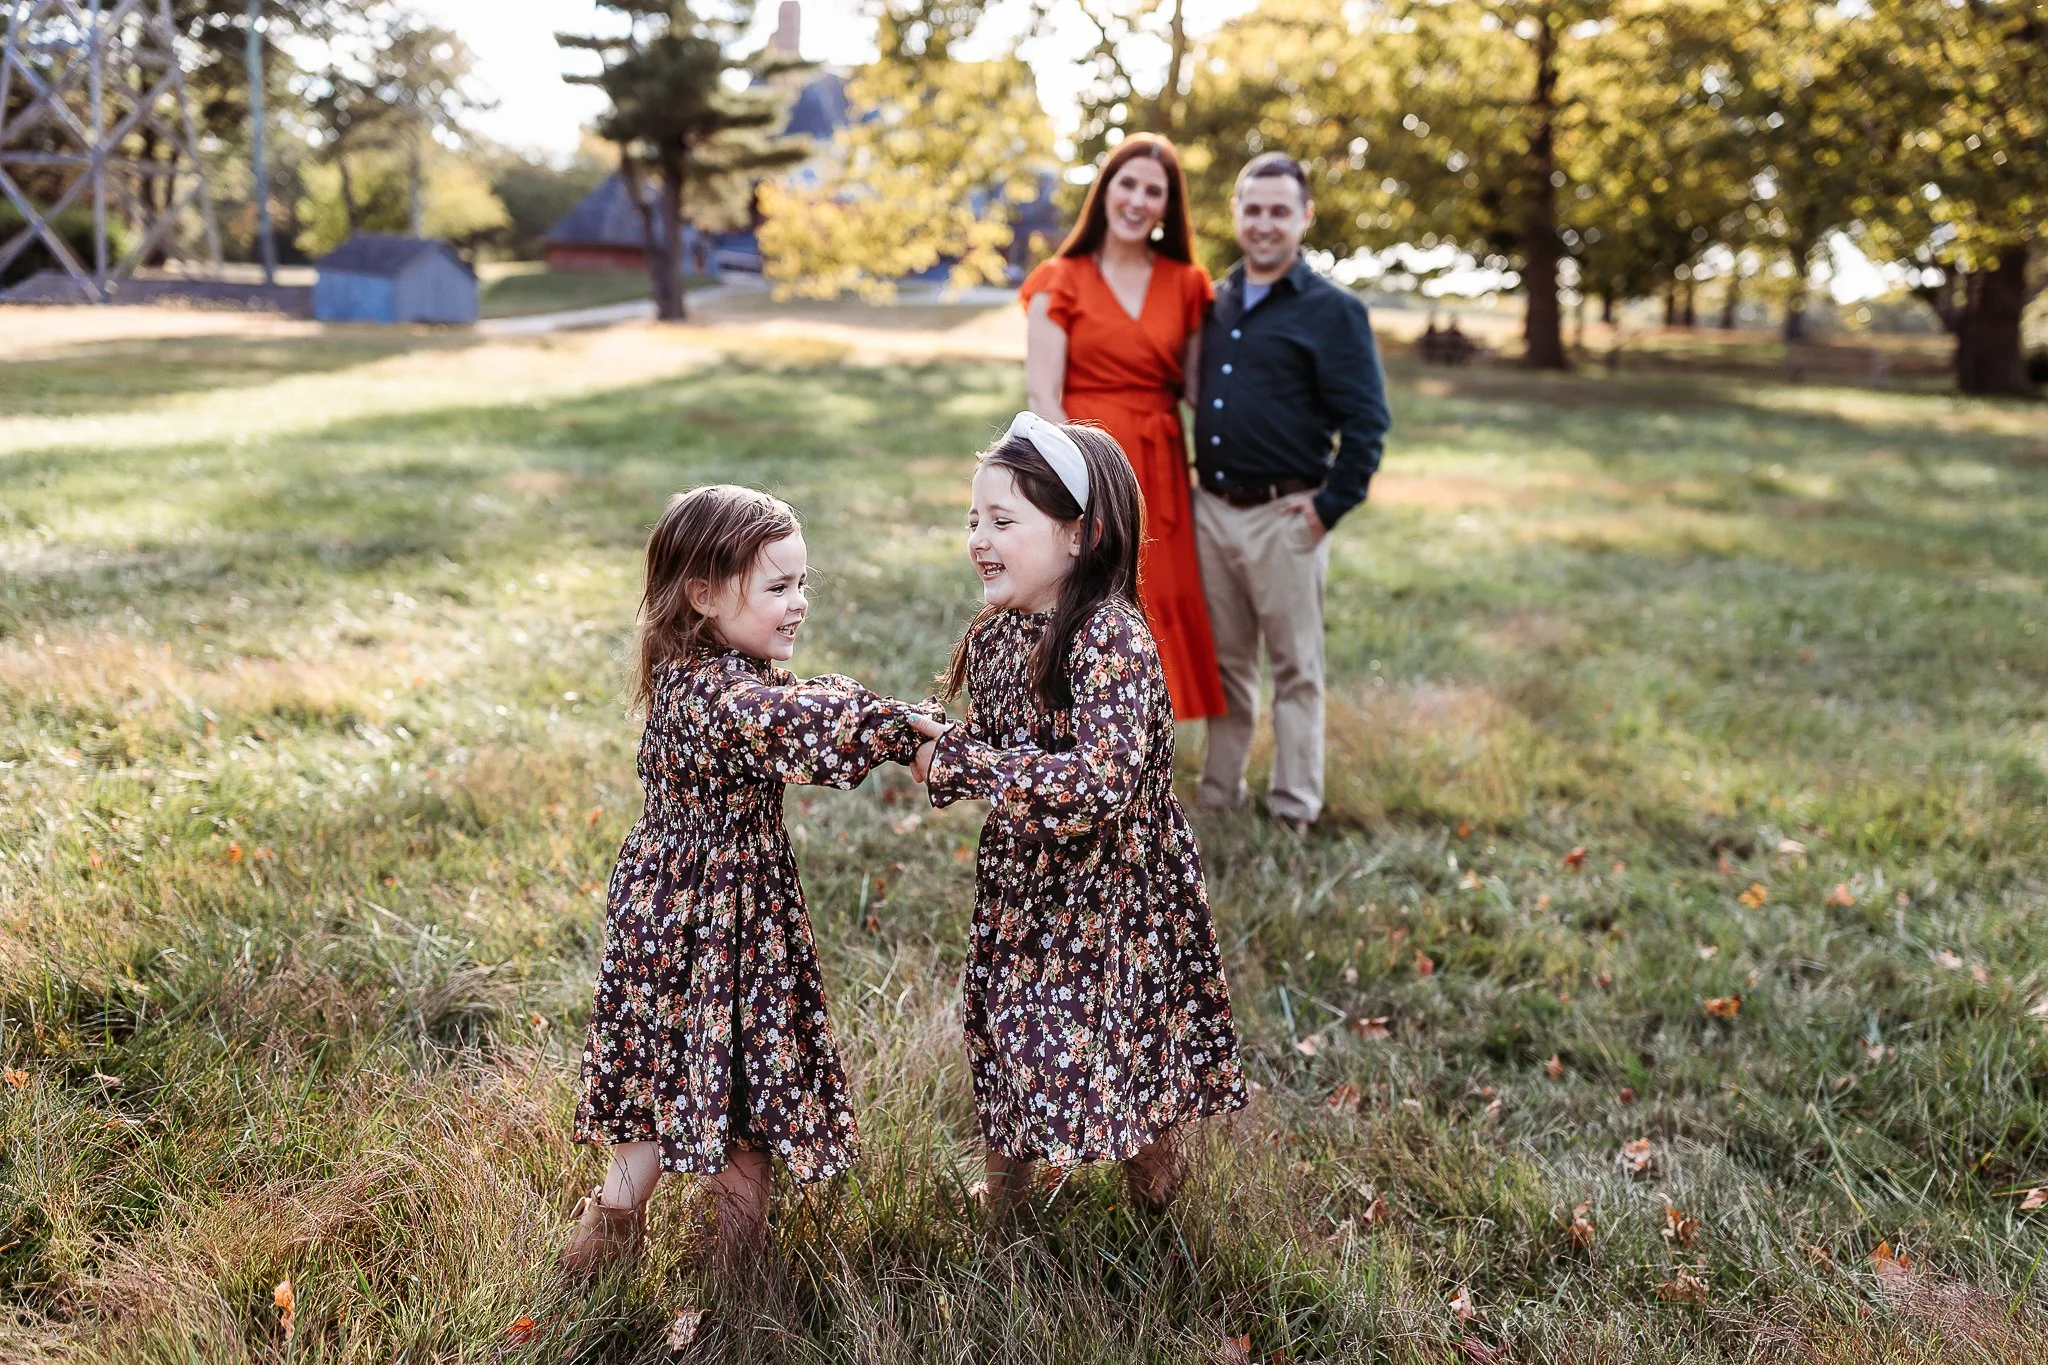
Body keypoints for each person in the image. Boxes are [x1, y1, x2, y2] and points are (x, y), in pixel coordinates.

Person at [565, 485, 931, 1279]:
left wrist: (885, 715)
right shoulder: (724, 697)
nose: (798, 604)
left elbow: (800, 704)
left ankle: (644, 1240)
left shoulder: (705, 672)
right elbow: (800, 725)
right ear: (702, 594)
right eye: (777, 587)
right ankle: (700, 1258)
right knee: (737, 1080)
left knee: (673, 1065)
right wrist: (905, 730)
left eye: (803, 583)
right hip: (715, 911)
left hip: (675, 904)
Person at [909, 413, 1247, 1214]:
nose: (978, 539)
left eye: (1002, 520)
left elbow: (1102, 782)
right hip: (1026, 889)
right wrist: (919, 736)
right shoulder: (997, 637)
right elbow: (992, 746)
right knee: (1007, 1030)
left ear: (1080, 536)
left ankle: (1158, 1200)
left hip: (1113, 895)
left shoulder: (1110, 639)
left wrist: (966, 763)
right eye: (972, 520)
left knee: (1118, 1047)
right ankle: (1007, 1201)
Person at [1192, 153, 1392, 832]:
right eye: (1253, 209)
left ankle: (1293, 806)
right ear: (1237, 214)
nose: (1265, 223)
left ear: (1305, 216)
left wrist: (1328, 507)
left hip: (1286, 515)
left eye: (1280, 210)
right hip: (1212, 512)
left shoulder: (1334, 312)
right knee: (1226, 665)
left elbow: (1368, 423)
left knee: (1295, 669)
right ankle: (1219, 792)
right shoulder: (1215, 302)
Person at [1018, 132, 1224, 723]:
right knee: (1086, 598)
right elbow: (1042, 395)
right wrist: (1075, 489)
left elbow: (1199, 390)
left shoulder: (1187, 284)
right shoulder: (1060, 279)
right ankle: (1072, 735)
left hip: (1160, 465)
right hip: (1089, 465)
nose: (1137, 200)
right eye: (1127, 183)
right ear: (1106, 190)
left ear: (1168, 206)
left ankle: (1149, 749)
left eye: (1153, 191)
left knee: (1162, 596)